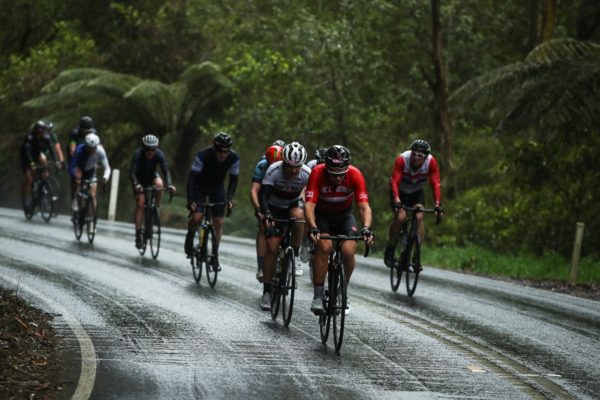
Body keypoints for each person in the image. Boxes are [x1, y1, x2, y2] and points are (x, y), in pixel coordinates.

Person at [305, 145, 374, 315]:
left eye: (341, 174)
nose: (337, 178)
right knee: (325, 247)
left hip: (344, 216)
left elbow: (364, 206)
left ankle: (343, 290)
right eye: (333, 174)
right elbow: (309, 205)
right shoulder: (317, 173)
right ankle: (318, 296)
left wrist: (366, 228)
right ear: (326, 168)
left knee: (348, 250)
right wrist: (313, 227)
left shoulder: (355, 174)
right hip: (323, 216)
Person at [259, 142, 311, 310]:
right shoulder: (274, 170)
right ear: (284, 163)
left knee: (299, 216)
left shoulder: (307, 173)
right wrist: (266, 213)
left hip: (293, 206)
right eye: (290, 166)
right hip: (274, 208)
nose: (294, 171)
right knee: (272, 248)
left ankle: (295, 253)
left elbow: (311, 200)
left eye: (297, 167)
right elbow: (264, 195)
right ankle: (266, 291)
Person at [184, 132, 240, 270]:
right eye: (220, 151)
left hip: (217, 187)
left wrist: (229, 199)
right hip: (199, 186)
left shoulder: (233, 158)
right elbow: (191, 179)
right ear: (214, 148)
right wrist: (191, 200)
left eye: (226, 151)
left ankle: (214, 256)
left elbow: (233, 181)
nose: (223, 154)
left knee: (219, 222)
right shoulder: (203, 155)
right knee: (197, 217)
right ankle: (190, 234)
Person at [384, 139, 442, 268]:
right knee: (400, 217)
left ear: (426, 157)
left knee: (419, 216)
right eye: (414, 153)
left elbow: (436, 183)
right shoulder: (402, 159)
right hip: (399, 192)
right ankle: (391, 248)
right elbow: (394, 182)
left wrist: (437, 204)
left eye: (420, 155)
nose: (416, 158)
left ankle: (416, 254)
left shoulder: (431, 162)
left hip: (416, 192)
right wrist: (397, 200)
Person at [129, 134, 176, 248]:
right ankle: (138, 233)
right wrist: (136, 184)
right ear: (143, 148)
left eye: (153, 149)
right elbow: (132, 173)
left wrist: (169, 184)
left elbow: (165, 170)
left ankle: (155, 207)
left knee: (159, 184)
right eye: (148, 149)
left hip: (151, 177)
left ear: (156, 148)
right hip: (139, 180)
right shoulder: (138, 154)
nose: (150, 152)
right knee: (141, 203)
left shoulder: (159, 154)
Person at [250, 144, 284, 282]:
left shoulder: (288, 165)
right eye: (271, 164)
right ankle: (260, 266)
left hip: (282, 196)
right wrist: (258, 209)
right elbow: (254, 191)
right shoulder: (262, 165)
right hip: (266, 199)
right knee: (264, 229)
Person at [69, 131, 111, 214]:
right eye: (89, 148)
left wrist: (105, 178)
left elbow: (107, 168)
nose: (91, 150)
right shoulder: (79, 150)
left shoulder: (100, 151)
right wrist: (75, 175)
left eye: (93, 148)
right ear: (86, 146)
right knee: (78, 180)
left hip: (91, 171)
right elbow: (71, 166)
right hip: (80, 169)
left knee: (92, 194)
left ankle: (93, 218)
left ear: (96, 146)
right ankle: (75, 198)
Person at [20, 121, 58, 212]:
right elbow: (27, 151)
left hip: (37, 155)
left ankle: (43, 182)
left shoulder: (46, 138)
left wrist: (56, 161)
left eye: (42, 132)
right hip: (27, 157)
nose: (40, 134)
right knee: (29, 178)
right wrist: (32, 164)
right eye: (38, 132)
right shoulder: (30, 138)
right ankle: (27, 198)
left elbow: (51, 150)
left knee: (43, 159)